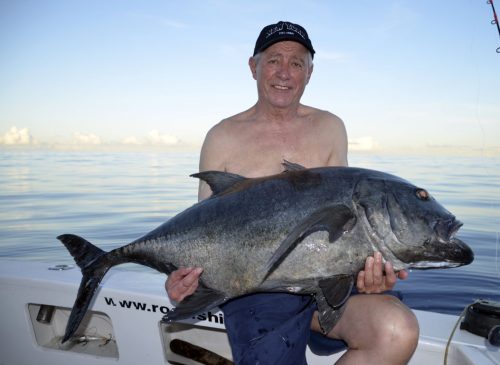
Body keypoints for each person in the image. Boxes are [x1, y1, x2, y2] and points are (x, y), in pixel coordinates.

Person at [166, 21, 419, 364]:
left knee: (397, 330)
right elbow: (205, 232)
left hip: (325, 285)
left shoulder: (330, 127)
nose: (284, 72)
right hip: (257, 292)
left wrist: (366, 271)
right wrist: (184, 281)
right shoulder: (222, 137)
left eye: (297, 63)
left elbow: (347, 228)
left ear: (309, 73)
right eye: (273, 60)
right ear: (253, 67)